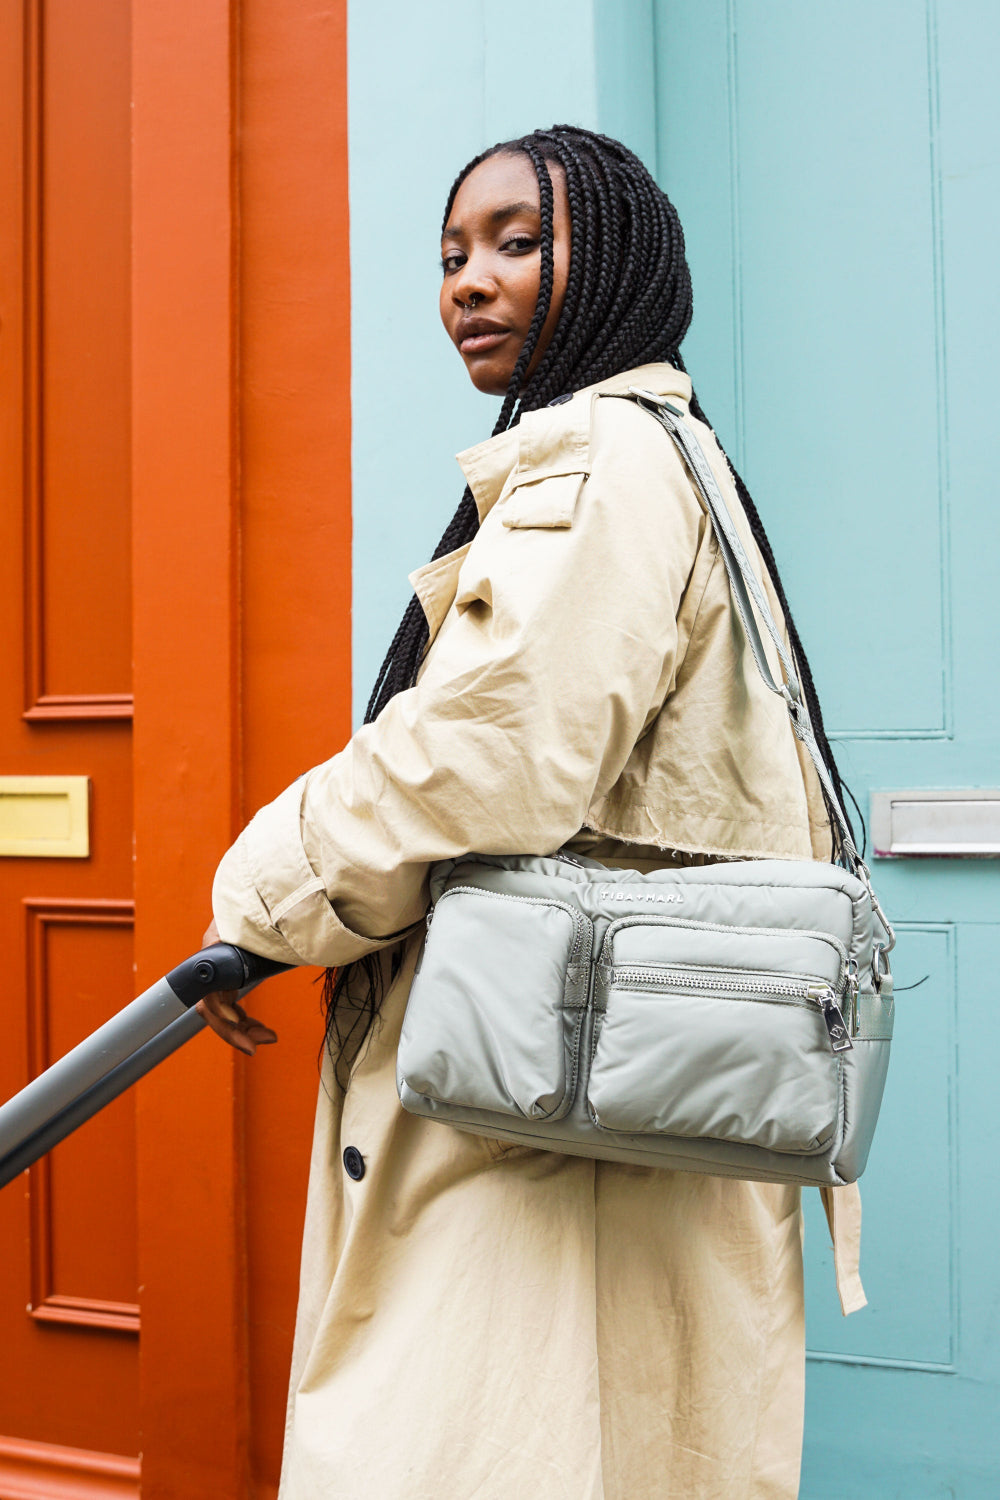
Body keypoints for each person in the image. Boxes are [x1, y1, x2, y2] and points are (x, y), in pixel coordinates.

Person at [200, 125, 865, 1500]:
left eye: (519, 241)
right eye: (451, 254)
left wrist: (262, 897)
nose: (470, 282)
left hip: (540, 1127)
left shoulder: (603, 461)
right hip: (601, 1109)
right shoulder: (668, 460)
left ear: (621, 261)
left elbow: (486, 756)